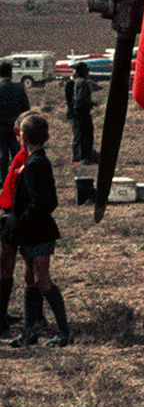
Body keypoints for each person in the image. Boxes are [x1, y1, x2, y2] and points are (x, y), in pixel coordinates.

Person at [4, 113, 67, 347]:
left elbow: (45, 202)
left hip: (38, 231)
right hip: (32, 232)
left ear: (23, 137)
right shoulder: (34, 162)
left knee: (42, 278)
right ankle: (29, 331)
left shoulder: (35, 165)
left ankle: (63, 330)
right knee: (29, 277)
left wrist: (20, 222)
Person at [0, 110, 32, 335]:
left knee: (13, 266)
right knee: (7, 266)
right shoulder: (22, 156)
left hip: (14, 214)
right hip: (9, 212)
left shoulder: (26, 158)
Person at [0, 62, 29, 170]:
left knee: (2, 155)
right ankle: (18, 179)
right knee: (17, 154)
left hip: (1, 127)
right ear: (10, 73)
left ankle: (2, 180)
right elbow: (26, 108)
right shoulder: (18, 88)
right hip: (15, 126)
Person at [69, 62, 98, 165]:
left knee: (83, 134)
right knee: (87, 135)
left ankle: (83, 157)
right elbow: (81, 99)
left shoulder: (78, 81)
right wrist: (92, 103)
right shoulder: (83, 82)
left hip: (79, 111)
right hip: (83, 111)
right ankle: (85, 158)